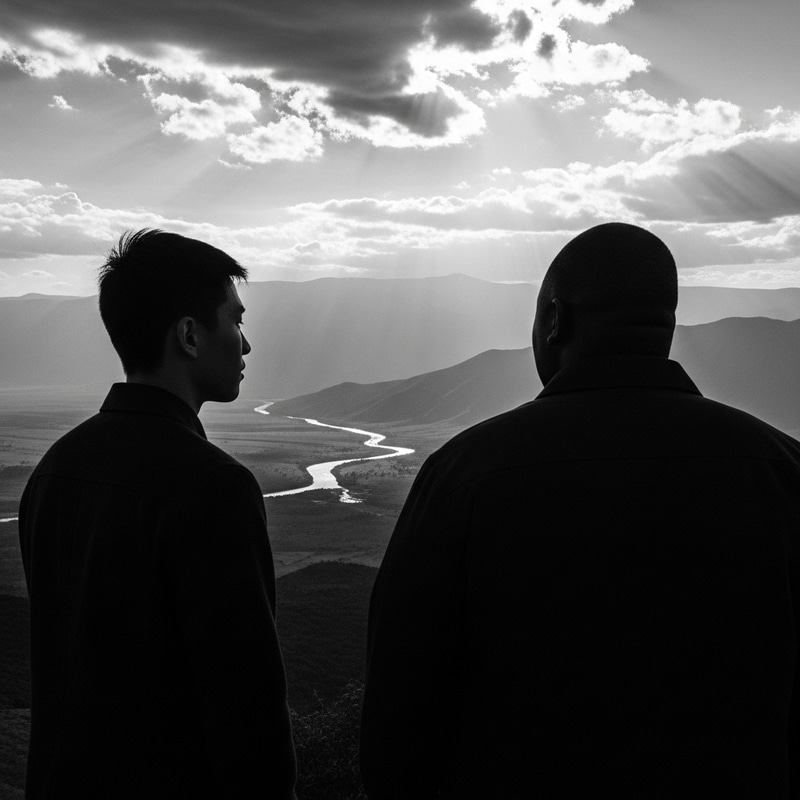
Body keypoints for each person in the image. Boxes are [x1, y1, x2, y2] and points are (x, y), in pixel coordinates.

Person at [361, 222, 800, 798]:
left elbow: (400, 718)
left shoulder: (465, 476)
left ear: (554, 320)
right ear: (665, 325)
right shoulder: (783, 470)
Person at [19, 230, 296, 799]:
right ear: (190, 335)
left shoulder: (52, 472)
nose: (246, 346)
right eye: (236, 321)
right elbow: (247, 713)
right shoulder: (215, 488)